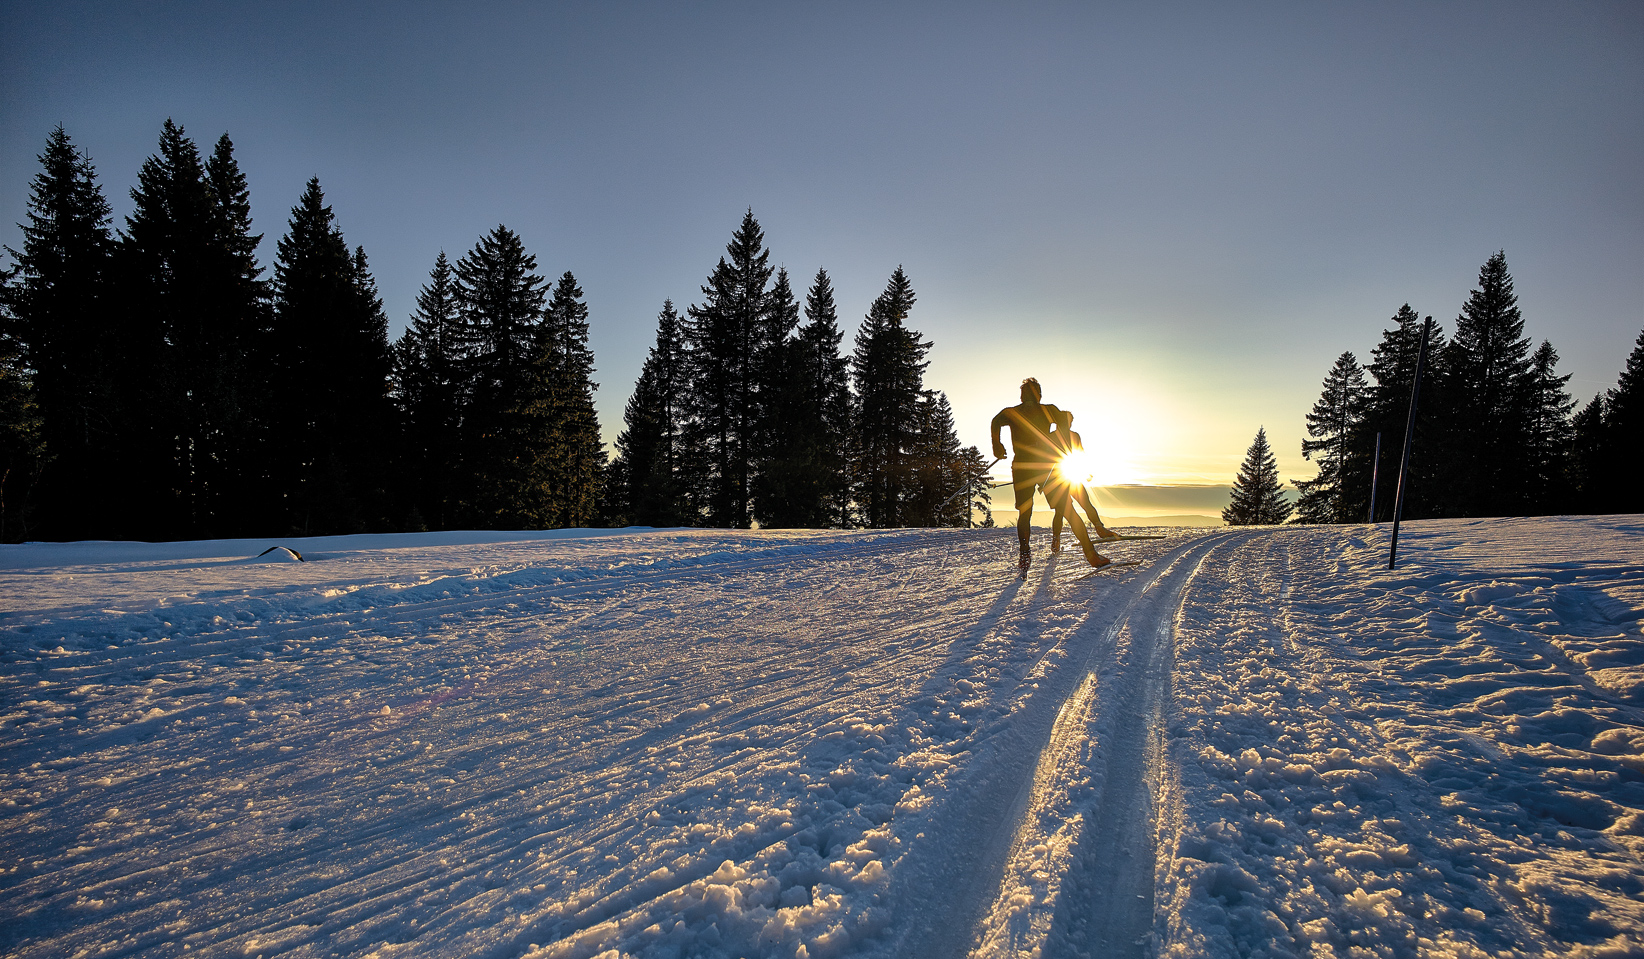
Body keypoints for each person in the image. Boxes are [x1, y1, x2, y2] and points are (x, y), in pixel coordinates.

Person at [991, 378, 1111, 573]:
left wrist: (997, 445)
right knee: (1067, 510)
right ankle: (1091, 554)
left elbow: (996, 421)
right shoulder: (1048, 409)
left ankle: (1024, 554)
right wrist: (1056, 445)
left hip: (1021, 466)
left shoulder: (1012, 412)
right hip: (1044, 466)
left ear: (1022, 396)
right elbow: (1064, 422)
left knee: (1024, 513)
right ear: (1039, 395)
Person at [1050, 410, 1117, 551]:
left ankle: (1056, 540)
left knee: (1061, 511)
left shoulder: (1052, 437)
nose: (1070, 425)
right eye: (1069, 422)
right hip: (1067, 476)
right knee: (1084, 503)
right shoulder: (1073, 436)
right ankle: (1099, 528)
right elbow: (1080, 454)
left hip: (1059, 478)